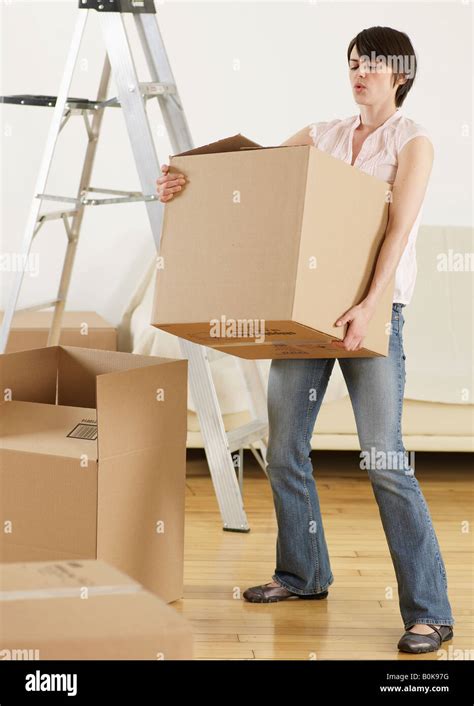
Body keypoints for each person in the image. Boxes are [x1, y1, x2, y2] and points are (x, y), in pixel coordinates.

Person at [156, 25, 455, 655]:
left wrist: (368, 307)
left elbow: (397, 233)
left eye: (372, 63)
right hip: (307, 315)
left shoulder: (414, 141)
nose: (359, 71)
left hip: (373, 314)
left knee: (384, 458)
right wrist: (186, 181)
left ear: (400, 72)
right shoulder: (321, 135)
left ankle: (430, 611)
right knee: (284, 446)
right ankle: (303, 574)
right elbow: (255, 179)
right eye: (352, 62)